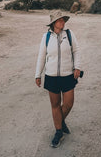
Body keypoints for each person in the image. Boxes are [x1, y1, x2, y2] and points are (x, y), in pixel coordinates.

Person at [35, 10, 81, 148]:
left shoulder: (69, 34)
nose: (63, 22)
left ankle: (60, 121)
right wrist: (38, 74)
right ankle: (58, 131)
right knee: (55, 105)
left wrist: (77, 67)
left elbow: (76, 51)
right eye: (60, 20)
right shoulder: (46, 37)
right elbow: (41, 56)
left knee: (68, 104)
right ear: (53, 23)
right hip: (51, 76)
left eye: (63, 20)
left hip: (68, 75)